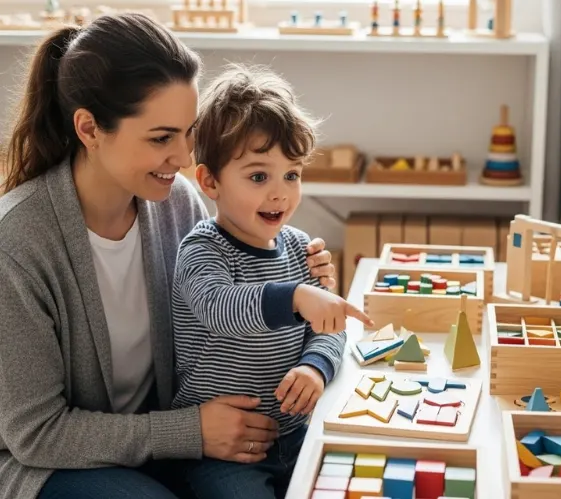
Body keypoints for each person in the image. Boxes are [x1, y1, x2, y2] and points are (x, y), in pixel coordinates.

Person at [0, 13, 347, 499]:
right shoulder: (17, 242)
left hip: (171, 440)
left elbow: (224, 297)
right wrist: (189, 431)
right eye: (161, 138)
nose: (185, 158)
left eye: (187, 133)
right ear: (90, 129)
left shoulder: (174, 202)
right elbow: (36, 434)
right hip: (55, 460)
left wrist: (302, 284)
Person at [170, 64, 372, 499]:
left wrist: (315, 366)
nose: (280, 193)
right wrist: (299, 296)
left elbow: (330, 328)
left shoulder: (300, 248)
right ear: (209, 181)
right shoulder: (202, 249)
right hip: (221, 454)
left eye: (292, 174)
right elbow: (221, 308)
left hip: (296, 434)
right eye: (259, 176)